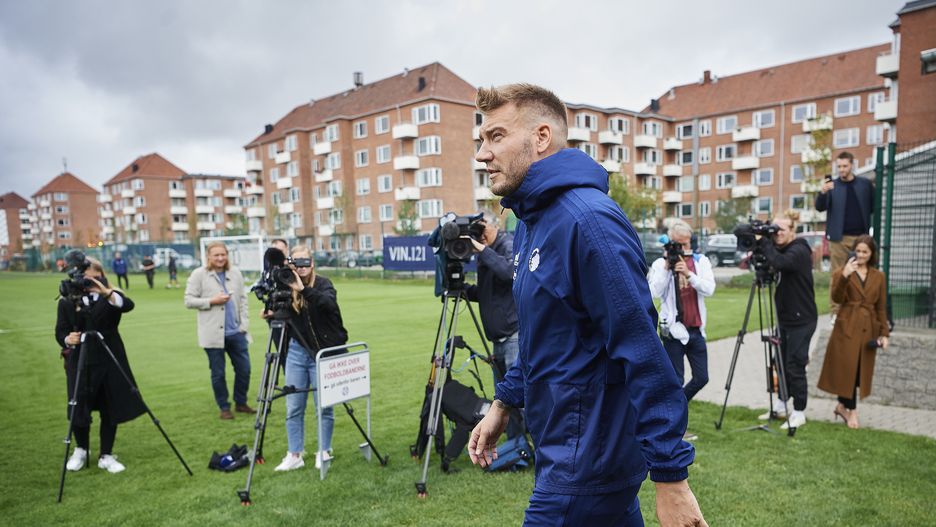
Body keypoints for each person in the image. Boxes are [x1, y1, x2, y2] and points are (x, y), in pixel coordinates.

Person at [467, 83, 706, 527]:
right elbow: (544, 336)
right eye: (482, 140)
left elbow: (641, 348)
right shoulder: (532, 223)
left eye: (496, 137)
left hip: (585, 466)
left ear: (541, 137)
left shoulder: (588, 220)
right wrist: (503, 404)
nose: (483, 154)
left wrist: (671, 478)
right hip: (569, 456)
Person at [56, 257, 145, 473]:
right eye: (85, 278)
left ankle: (106, 454)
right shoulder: (68, 300)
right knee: (79, 405)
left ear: (102, 276)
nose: (89, 283)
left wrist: (106, 292)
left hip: (110, 356)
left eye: (94, 278)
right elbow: (60, 331)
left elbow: (128, 305)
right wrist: (69, 339)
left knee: (109, 405)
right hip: (81, 360)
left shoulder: (111, 298)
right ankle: (81, 449)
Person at [267, 246, 348, 471]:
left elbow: (328, 305)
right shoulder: (285, 284)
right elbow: (280, 314)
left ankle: (324, 450)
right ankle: (295, 454)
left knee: (324, 405)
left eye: (305, 263)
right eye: (297, 263)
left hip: (321, 352)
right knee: (293, 405)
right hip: (296, 351)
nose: (301, 268)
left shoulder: (323, 284)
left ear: (312, 264)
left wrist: (302, 289)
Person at [648, 220, 716, 432]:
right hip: (673, 332)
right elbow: (653, 293)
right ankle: (675, 427)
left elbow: (709, 289)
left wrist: (689, 274)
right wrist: (668, 269)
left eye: (685, 244)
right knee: (675, 381)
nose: (683, 249)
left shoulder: (700, 261)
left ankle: (674, 411)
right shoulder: (660, 265)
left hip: (696, 329)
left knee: (702, 377)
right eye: (678, 244)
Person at [817, 235, 889, 429]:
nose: (861, 255)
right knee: (848, 370)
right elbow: (837, 298)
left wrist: (884, 333)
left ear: (872, 254)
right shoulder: (842, 272)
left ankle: (842, 407)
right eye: (858, 251)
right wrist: (845, 276)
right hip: (846, 326)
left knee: (858, 372)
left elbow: (881, 307)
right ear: (853, 252)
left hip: (868, 329)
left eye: (865, 252)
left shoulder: (879, 276)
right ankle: (852, 413)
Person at [465, 209, 524, 441]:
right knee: (502, 399)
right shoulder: (486, 253)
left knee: (518, 398)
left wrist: (481, 250)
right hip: (496, 339)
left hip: (512, 336)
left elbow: (510, 273)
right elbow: (488, 293)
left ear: (495, 224)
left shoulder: (506, 244)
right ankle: (515, 447)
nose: (481, 236)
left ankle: (531, 445)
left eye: (483, 229)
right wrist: (463, 290)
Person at [757, 210, 818, 429]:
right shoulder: (779, 249)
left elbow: (781, 263)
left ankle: (799, 411)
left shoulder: (799, 249)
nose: (777, 234)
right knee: (780, 363)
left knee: (795, 365)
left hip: (803, 319)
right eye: (774, 230)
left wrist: (763, 242)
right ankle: (782, 404)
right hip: (784, 319)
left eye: (782, 229)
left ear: (792, 230)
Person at [184, 242, 254, 420]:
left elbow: (243, 300)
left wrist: (243, 326)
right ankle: (224, 407)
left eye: (223, 254)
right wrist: (211, 301)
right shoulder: (199, 275)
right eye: (216, 255)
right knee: (218, 373)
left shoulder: (235, 273)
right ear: (208, 256)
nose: (221, 258)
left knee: (244, 370)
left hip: (236, 333)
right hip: (213, 335)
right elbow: (189, 300)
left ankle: (241, 402)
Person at [815, 151, 874, 317]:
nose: (841, 169)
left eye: (845, 166)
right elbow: (819, 207)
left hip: (861, 239)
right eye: (839, 166)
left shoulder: (864, 184)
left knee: (862, 274)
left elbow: (872, 206)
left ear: (852, 165)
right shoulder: (832, 186)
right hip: (838, 239)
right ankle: (836, 311)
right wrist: (822, 193)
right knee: (838, 275)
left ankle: (861, 309)